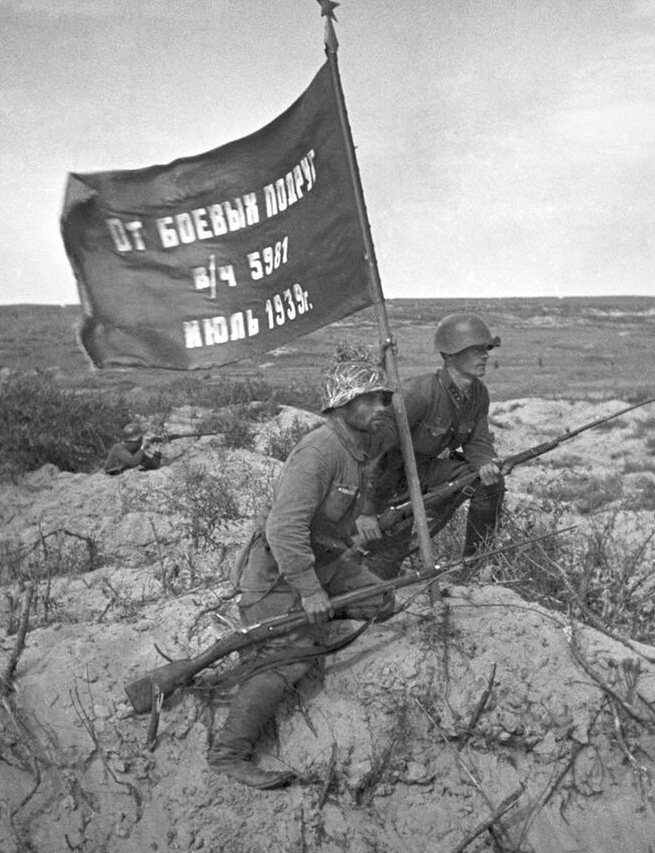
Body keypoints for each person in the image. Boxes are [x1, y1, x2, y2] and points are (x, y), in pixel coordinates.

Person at [208, 354, 395, 790]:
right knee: (286, 664)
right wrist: (310, 591)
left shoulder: (357, 448)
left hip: (324, 564)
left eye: (382, 398)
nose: (380, 407)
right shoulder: (320, 451)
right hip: (277, 575)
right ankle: (229, 753)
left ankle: (313, 616)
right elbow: (283, 528)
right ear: (342, 403)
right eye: (369, 399)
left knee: (381, 601)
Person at [364, 312, 505, 579]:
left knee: (488, 482)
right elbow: (375, 451)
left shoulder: (477, 394)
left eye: (485, 349)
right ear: (450, 355)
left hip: (424, 470)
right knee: (380, 571)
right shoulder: (419, 393)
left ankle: (474, 565)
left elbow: (477, 441)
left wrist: (486, 463)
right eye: (475, 350)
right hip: (387, 478)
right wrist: (367, 511)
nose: (485, 355)